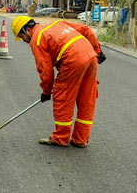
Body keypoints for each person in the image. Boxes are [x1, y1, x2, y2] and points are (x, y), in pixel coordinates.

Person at [11, 15, 106, 147]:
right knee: (86, 99)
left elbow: (45, 70)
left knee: (63, 97)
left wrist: (47, 91)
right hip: (91, 57)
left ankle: (61, 138)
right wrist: (98, 51)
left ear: (27, 30)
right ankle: (80, 139)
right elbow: (85, 29)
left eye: (22, 37)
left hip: (73, 60)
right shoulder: (57, 24)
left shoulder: (37, 39)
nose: (24, 41)